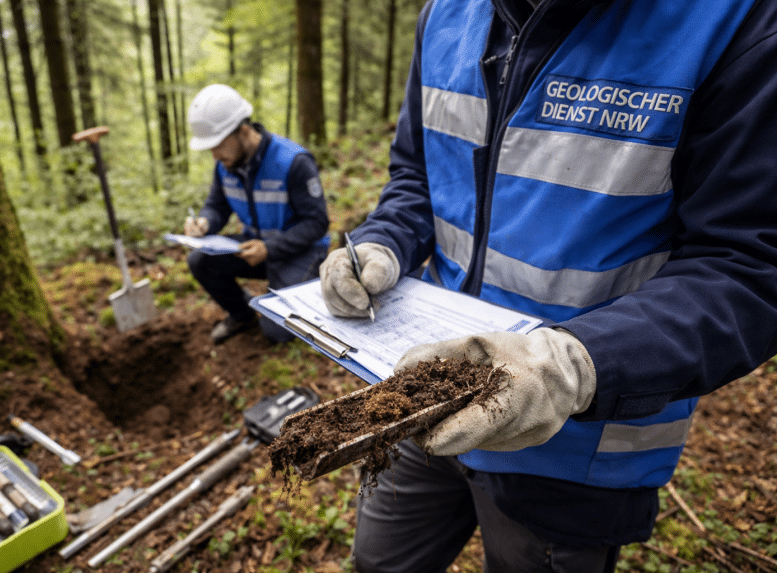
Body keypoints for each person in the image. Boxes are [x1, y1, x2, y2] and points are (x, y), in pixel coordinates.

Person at [319, 0, 777, 571]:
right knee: (380, 561)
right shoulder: (444, 15)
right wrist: (385, 241)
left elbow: (748, 263)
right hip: (424, 396)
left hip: (575, 450)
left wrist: (574, 366)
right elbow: (420, 173)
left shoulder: (732, 21)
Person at [185, 84, 330, 344]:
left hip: (301, 252)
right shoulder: (226, 164)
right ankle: (242, 315)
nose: (215, 155)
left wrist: (270, 248)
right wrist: (205, 222)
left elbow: (317, 223)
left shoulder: (293, 162)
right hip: (255, 249)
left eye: (218, 145)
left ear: (242, 131)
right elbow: (217, 206)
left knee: (275, 333)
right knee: (200, 260)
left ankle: (306, 290)